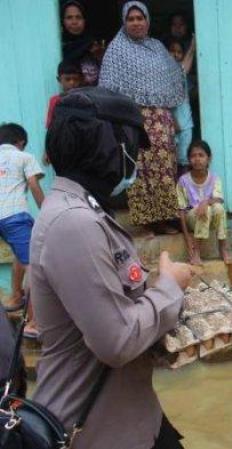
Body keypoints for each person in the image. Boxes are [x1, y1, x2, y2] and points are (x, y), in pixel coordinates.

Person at [31, 86, 194, 449]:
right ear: (110, 146)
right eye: (132, 150)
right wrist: (170, 286)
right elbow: (117, 340)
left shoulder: (86, 211)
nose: (135, 162)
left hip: (135, 413)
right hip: (97, 429)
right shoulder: (73, 223)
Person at [99, 1, 186, 234]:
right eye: (131, 19)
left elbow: (175, 75)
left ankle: (166, 218)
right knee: (141, 171)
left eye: (140, 18)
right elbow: (107, 89)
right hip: (134, 121)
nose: (136, 23)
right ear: (124, 22)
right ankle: (148, 222)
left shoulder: (157, 47)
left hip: (162, 121)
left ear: (148, 21)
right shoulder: (116, 50)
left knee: (165, 169)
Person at [0, 123, 44, 338]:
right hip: (15, 216)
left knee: (21, 254)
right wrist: (46, 212)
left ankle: (16, 296)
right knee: (34, 266)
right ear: (20, 143)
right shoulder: (23, 157)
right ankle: (34, 323)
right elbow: (34, 185)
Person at [177, 140, 229, 266]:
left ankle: (223, 248)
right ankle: (196, 252)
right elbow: (181, 210)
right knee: (207, 210)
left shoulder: (214, 178)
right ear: (189, 159)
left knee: (218, 208)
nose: (197, 159)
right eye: (193, 156)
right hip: (192, 219)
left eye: (201, 155)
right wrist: (187, 239)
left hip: (210, 219)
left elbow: (219, 198)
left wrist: (206, 201)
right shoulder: (183, 180)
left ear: (208, 158)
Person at [166, 35, 196, 172]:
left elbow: (184, 68)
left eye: (179, 52)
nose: (176, 55)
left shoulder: (181, 73)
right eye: (173, 51)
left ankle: (182, 192)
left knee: (184, 161)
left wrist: (192, 48)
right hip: (172, 125)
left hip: (185, 124)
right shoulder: (163, 74)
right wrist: (173, 121)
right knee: (171, 162)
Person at [60, 0, 103, 86]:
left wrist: (100, 57)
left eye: (78, 17)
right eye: (69, 17)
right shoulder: (58, 47)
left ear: (84, 20)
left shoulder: (93, 45)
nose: (74, 22)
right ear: (62, 21)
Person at [46, 60, 83, 129]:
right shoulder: (55, 101)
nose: (72, 83)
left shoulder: (85, 99)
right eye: (67, 79)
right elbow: (50, 126)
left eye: (75, 79)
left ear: (81, 79)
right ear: (59, 80)